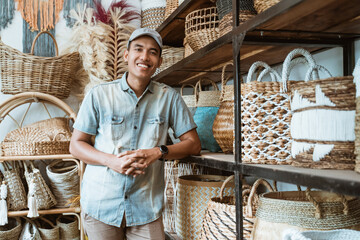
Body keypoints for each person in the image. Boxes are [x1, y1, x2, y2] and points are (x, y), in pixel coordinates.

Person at [70, 27, 201, 240]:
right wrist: (111, 160)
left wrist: (158, 152)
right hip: (101, 205)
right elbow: (76, 145)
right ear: (126, 55)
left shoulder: (169, 98)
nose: (145, 57)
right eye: (138, 49)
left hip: (146, 208)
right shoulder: (99, 94)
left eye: (153, 52)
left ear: (159, 61)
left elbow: (193, 144)